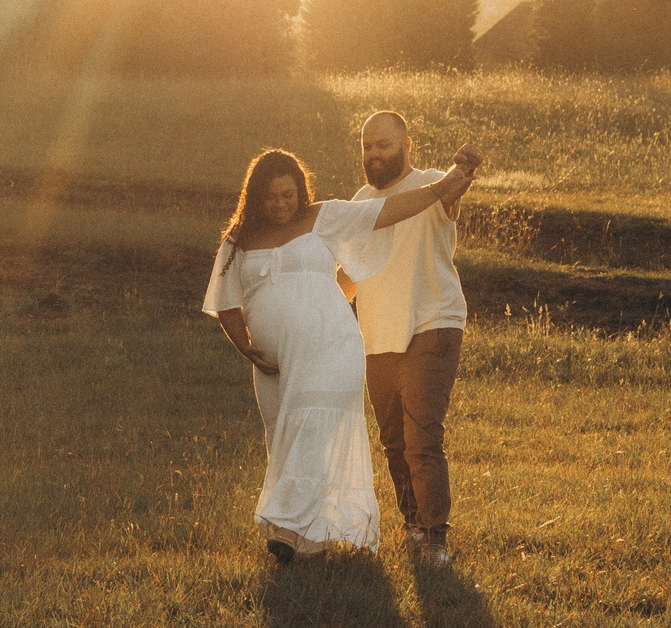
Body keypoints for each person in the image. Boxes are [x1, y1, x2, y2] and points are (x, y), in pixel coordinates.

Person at [204, 144, 479, 563]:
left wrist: (442, 187)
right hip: (275, 364)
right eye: (271, 197)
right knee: (283, 435)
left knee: (312, 428)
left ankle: (291, 531)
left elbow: (386, 212)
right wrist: (246, 347)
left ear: (301, 191)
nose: (281, 204)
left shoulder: (323, 217)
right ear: (256, 197)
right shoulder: (239, 239)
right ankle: (310, 536)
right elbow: (224, 301)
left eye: (289, 195)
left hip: (330, 345)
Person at [346, 111, 474, 566]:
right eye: (367, 146)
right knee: (394, 442)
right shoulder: (361, 201)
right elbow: (348, 276)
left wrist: (465, 172)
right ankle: (414, 527)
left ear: (407, 144)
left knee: (422, 439)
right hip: (377, 333)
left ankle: (435, 538)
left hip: (432, 322)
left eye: (384, 144)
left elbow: (453, 191)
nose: (374, 153)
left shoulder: (433, 183)